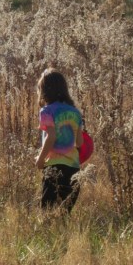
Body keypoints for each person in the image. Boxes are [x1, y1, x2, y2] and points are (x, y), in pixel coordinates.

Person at [35, 68, 84, 213]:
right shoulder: (75, 112)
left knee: (46, 212)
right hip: (73, 168)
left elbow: (51, 137)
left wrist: (40, 159)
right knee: (64, 213)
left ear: (44, 91)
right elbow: (79, 143)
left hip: (54, 167)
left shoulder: (47, 111)